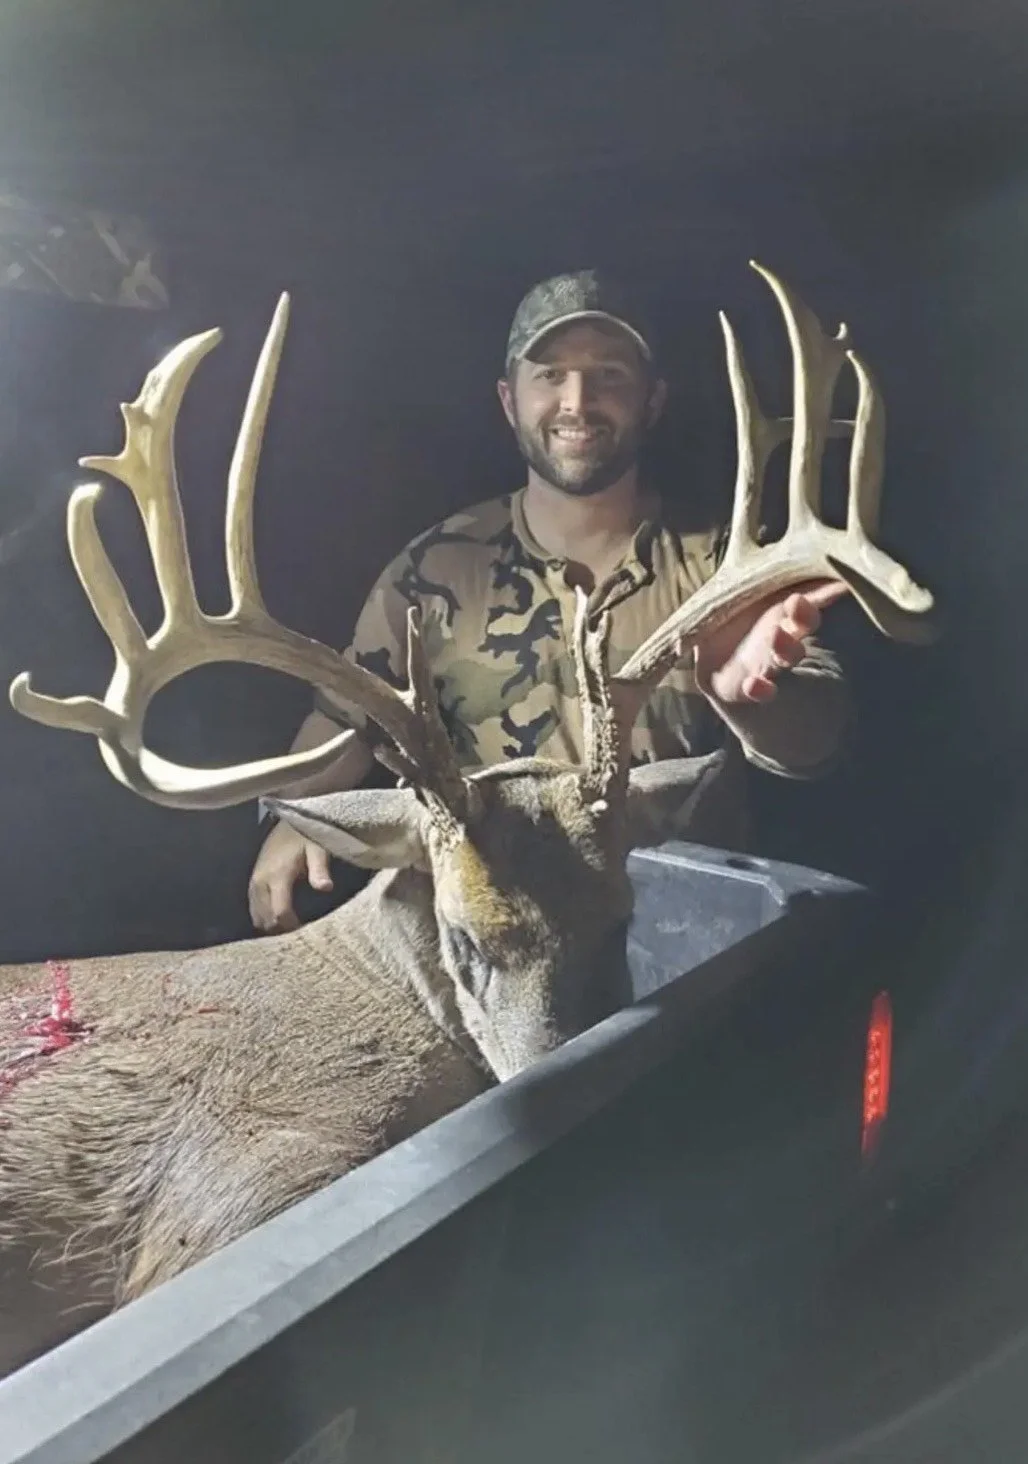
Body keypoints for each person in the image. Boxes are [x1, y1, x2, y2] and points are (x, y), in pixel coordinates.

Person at [248, 269, 851, 934]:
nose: (577, 400)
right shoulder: (434, 568)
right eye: (551, 375)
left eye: (609, 375)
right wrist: (293, 815)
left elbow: (814, 742)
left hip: (671, 938)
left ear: (652, 401)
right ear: (510, 401)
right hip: (489, 933)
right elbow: (345, 719)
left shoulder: (725, 565)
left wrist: (751, 698)